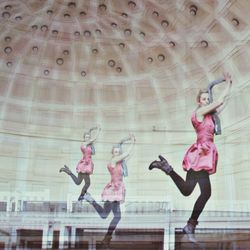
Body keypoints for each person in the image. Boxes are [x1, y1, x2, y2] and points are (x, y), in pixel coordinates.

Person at [149, 72, 232, 241]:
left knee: (187, 190)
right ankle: (190, 224)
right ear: (199, 101)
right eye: (204, 99)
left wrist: (229, 86)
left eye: (207, 100)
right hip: (200, 154)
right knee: (205, 193)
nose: (206, 102)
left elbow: (222, 103)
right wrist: (227, 83)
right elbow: (219, 101)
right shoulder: (199, 113)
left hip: (204, 154)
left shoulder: (210, 115)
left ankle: (166, 168)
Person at [84, 134, 136, 247]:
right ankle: (106, 239)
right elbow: (126, 154)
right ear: (113, 153)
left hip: (116, 190)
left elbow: (127, 154)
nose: (117, 153)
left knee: (105, 215)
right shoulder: (113, 160)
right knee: (115, 216)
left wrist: (127, 139)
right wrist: (132, 143)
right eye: (116, 152)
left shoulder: (119, 163)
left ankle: (89, 198)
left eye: (118, 151)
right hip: (113, 191)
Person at [59, 126, 101, 201]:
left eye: (88, 137)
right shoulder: (84, 143)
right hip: (85, 164)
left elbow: (93, 150)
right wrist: (98, 130)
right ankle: (81, 196)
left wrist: (92, 129)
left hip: (86, 164)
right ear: (84, 138)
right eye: (86, 137)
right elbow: (94, 139)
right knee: (88, 183)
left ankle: (67, 171)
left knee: (78, 182)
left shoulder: (88, 145)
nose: (87, 138)